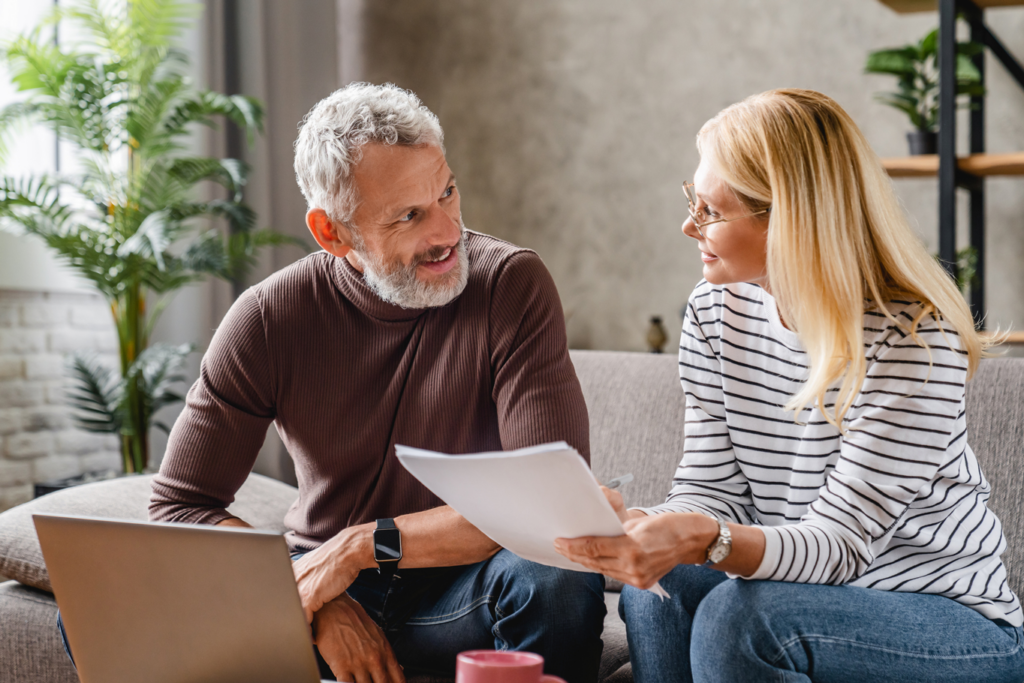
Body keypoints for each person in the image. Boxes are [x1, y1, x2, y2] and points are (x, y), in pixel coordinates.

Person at [554, 89, 1024, 683]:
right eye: (691, 202)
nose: (688, 225)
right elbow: (710, 488)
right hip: (801, 592)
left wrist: (708, 539)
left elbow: (841, 545)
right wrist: (651, 527)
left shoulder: (915, 339)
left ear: (789, 219)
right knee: (658, 586)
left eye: (710, 211)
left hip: (948, 623)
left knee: (737, 619)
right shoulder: (714, 311)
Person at [146, 83, 606, 683]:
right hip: (318, 577)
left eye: (446, 192)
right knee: (104, 608)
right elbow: (181, 506)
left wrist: (360, 546)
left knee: (559, 575)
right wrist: (317, 602)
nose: (447, 233)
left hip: (461, 591)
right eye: (409, 215)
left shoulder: (510, 285)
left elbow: (548, 508)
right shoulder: (267, 317)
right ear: (333, 233)